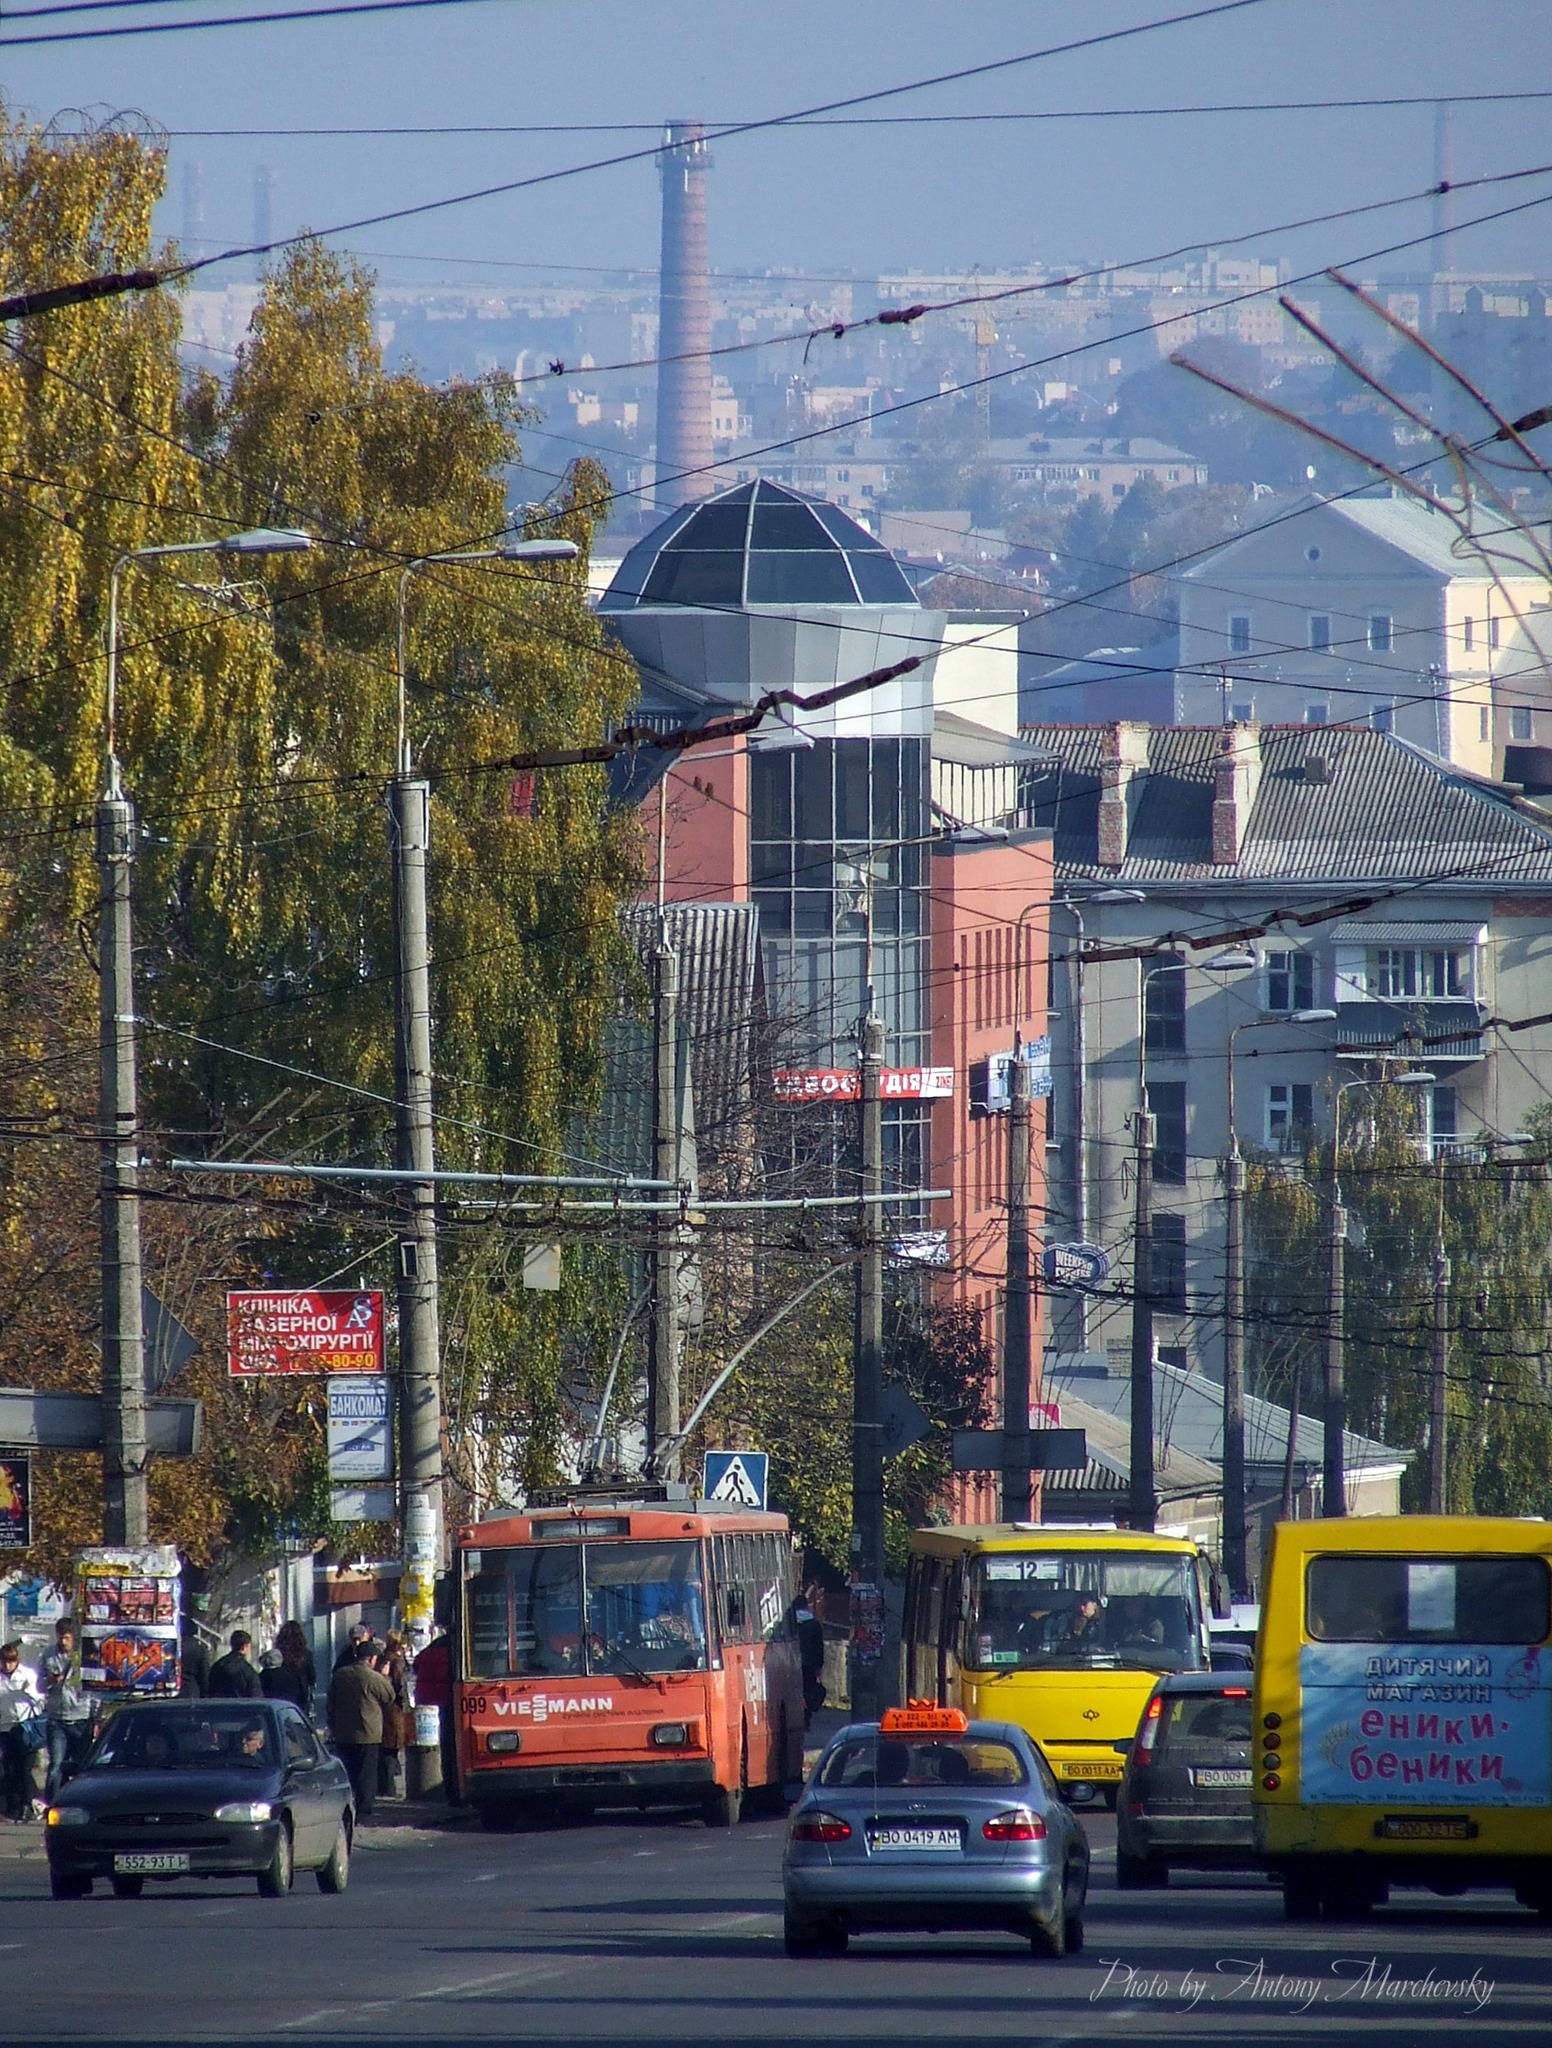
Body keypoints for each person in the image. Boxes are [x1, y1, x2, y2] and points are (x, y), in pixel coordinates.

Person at [327, 1639, 396, 1819]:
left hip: (344, 1732)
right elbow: (389, 1696)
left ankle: (347, 1806)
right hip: (368, 1733)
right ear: (372, 1659)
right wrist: (385, 1676)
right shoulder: (373, 1678)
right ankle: (364, 1810)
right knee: (366, 1773)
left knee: (347, 1771)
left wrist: (332, 1725)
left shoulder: (341, 1674)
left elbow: (330, 1702)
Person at [40, 1620, 93, 1801]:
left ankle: (80, 1800)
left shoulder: (85, 1655)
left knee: (80, 1765)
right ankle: (52, 1802)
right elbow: (38, 1685)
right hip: (57, 1719)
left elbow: (93, 1686)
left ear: (74, 1638)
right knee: (56, 1764)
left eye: (67, 1638)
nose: (63, 1642)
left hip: (81, 1717)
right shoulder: (49, 1655)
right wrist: (49, 1681)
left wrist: (95, 1716)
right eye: (61, 1637)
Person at [412, 1626, 459, 1804]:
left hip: (438, 1701)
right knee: (457, 1747)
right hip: (456, 1698)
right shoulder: (459, 1647)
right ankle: (457, 1791)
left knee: (447, 1748)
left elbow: (417, 1664)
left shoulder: (434, 1647)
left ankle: (450, 1792)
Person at [0, 1641, 46, 1822]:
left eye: (11, 1660)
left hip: (24, 1726)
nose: (7, 1664)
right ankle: (12, 1807)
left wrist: (28, 1692)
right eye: (4, 1661)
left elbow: (40, 1702)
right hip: (4, 1726)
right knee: (8, 1769)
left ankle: (26, 1805)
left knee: (23, 1768)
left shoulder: (27, 1674)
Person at [374, 1633, 410, 1800]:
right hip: (393, 1710)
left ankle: (384, 1786)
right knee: (391, 1749)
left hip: (382, 1710)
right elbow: (401, 1686)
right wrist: (406, 1703)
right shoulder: (397, 1662)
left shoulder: (381, 1659)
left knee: (385, 1751)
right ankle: (388, 1788)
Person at [795, 1584, 827, 1729]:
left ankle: (799, 1715)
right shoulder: (814, 1624)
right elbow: (818, 1647)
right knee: (808, 1690)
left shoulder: (792, 1624)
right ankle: (806, 1717)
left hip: (793, 1663)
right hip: (809, 1665)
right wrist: (819, 1666)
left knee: (797, 1691)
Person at [274, 1620, 317, 1714]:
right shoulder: (306, 1654)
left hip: (280, 1691)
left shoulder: (278, 1653)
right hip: (300, 1693)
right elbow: (312, 1677)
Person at [207, 1630, 263, 1699]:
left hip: (219, 1707)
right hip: (240, 1708)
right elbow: (256, 1697)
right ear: (244, 1646)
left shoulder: (218, 1666)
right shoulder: (248, 1671)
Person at [261, 1644, 311, 1713]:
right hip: (289, 1712)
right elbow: (302, 1697)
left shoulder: (260, 1678)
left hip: (267, 1714)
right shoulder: (292, 1678)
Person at [179, 1614, 210, 1698]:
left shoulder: (169, 1646)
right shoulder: (198, 1648)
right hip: (191, 1692)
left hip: (170, 1691)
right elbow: (204, 1674)